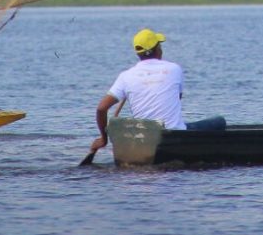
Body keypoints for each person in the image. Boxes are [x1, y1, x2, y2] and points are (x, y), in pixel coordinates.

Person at [89, 29, 224, 155]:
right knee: (220, 121)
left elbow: (101, 108)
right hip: (174, 135)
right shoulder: (175, 69)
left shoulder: (126, 76)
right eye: (160, 45)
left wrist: (104, 138)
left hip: (144, 138)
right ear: (158, 49)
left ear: (138, 53)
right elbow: (177, 99)